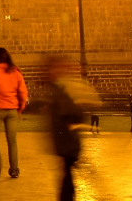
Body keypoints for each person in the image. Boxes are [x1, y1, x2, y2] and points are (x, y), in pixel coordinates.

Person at [45, 55, 95, 201]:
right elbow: (70, 112)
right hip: (66, 139)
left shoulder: (59, 87)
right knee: (67, 176)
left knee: (67, 175)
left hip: (66, 139)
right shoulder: (60, 88)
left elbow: (68, 111)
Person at [0, 47, 29, 178]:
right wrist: (20, 108)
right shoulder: (15, 71)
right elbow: (23, 92)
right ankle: (14, 169)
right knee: (12, 140)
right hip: (12, 109)